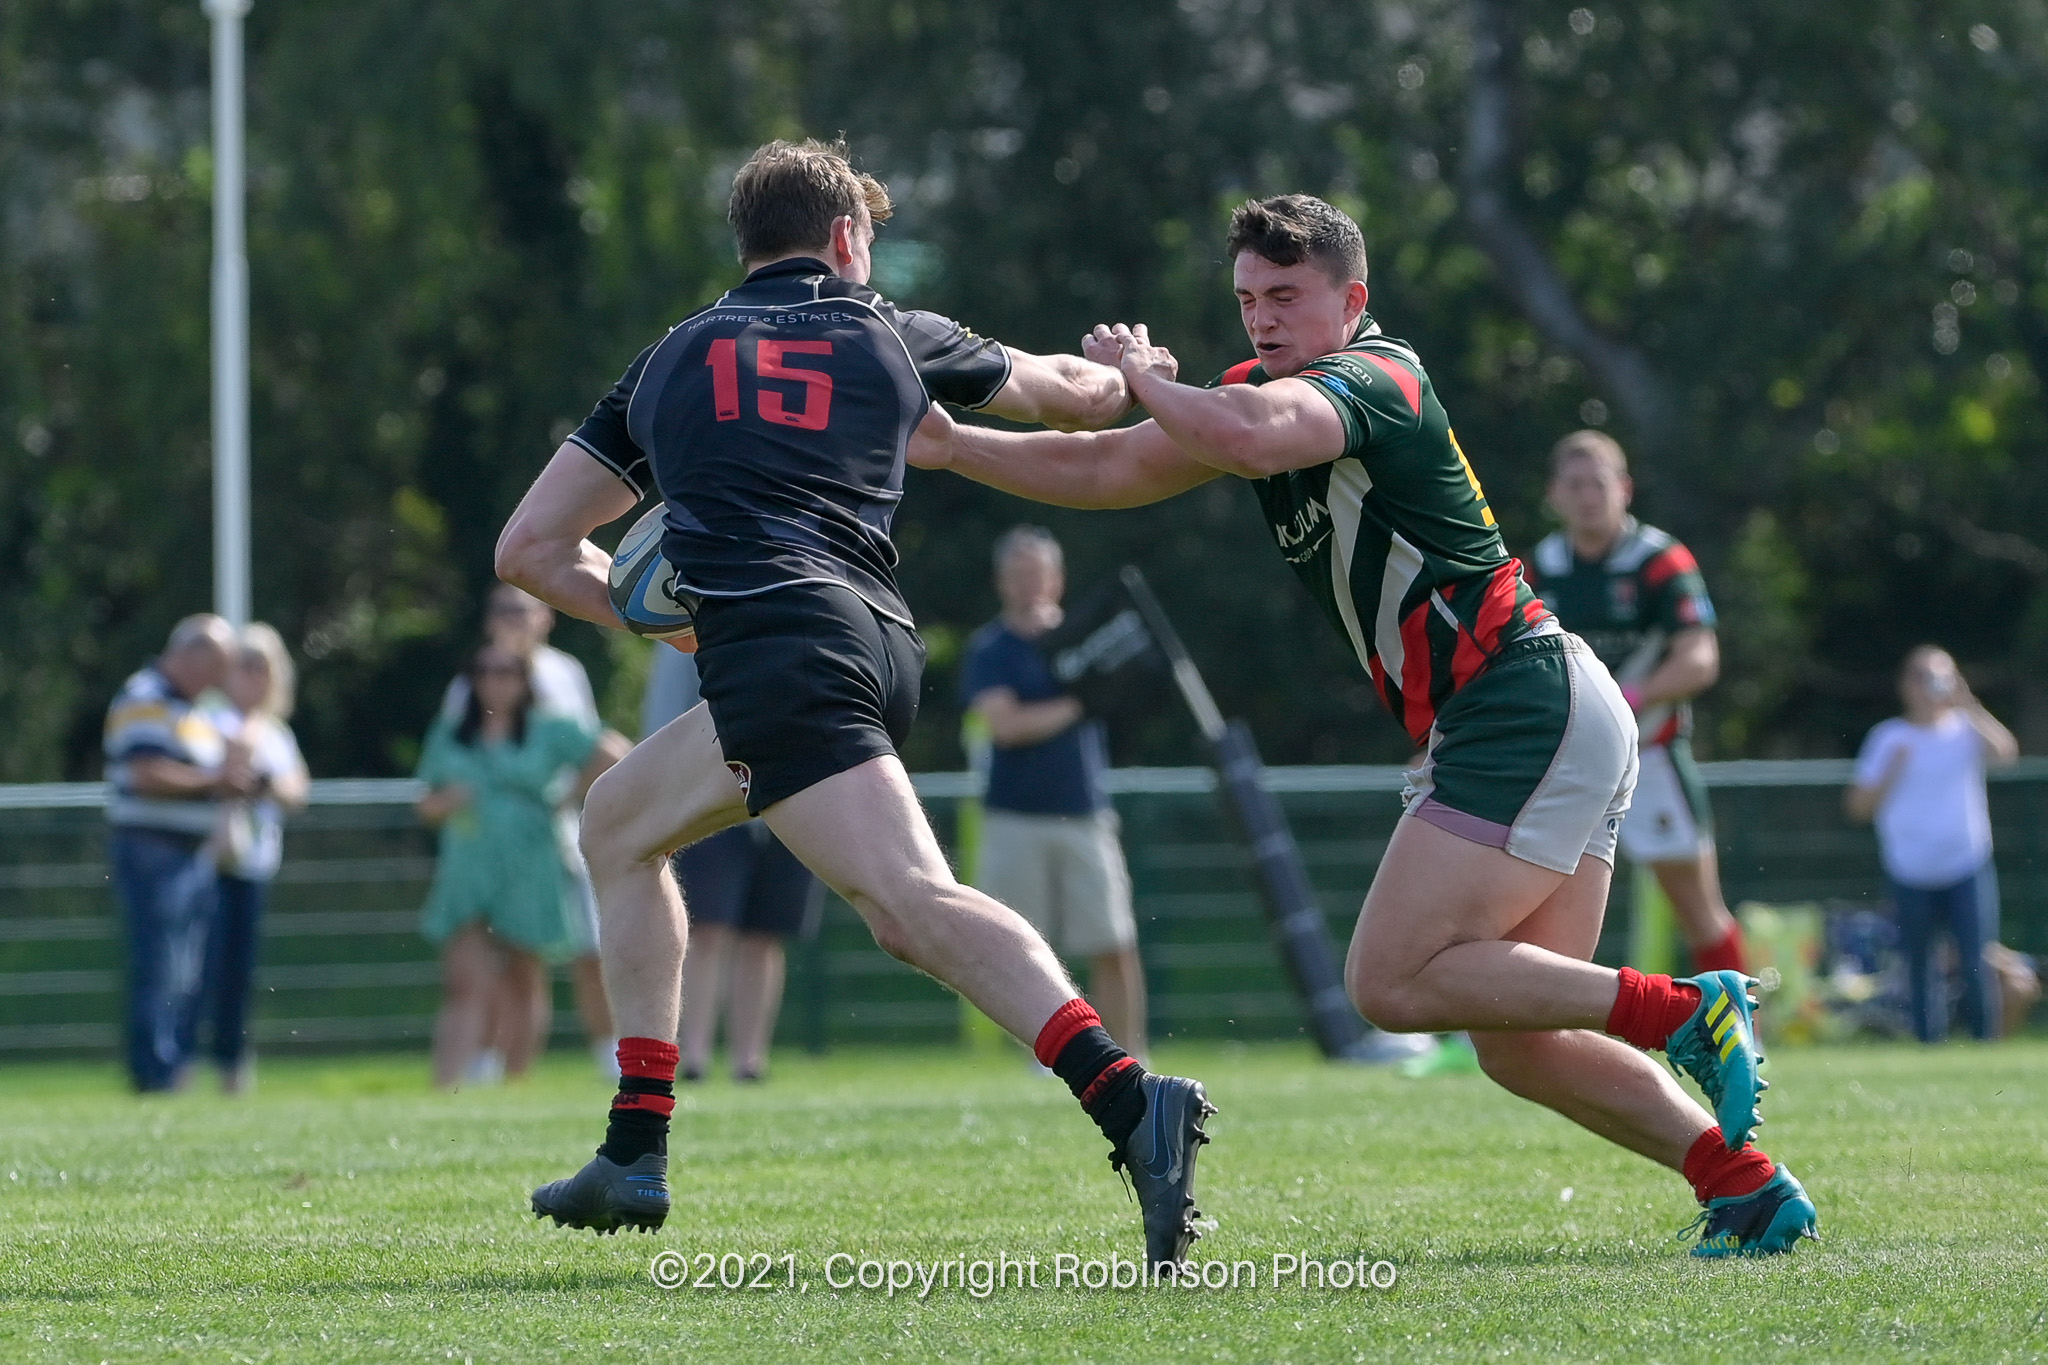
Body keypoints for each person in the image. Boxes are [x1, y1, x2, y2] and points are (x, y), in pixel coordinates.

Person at [912, 192, 1818, 1256]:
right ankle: (1743, 1184)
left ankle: (1682, 1012)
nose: (1261, 317)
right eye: (1247, 297)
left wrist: (1148, 378)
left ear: (1353, 300)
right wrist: (947, 443)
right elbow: (1107, 466)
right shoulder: (1256, 392)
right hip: (1538, 709)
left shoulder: (1374, 377)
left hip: (1515, 702)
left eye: (1286, 296)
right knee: (1518, 1041)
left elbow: (1251, 439)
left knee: (1385, 980)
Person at [496, 137, 1215, 1270]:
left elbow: (532, 551)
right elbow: (1071, 400)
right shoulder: (886, 326)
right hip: (864, 635)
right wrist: (1129, 365)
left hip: (779, 648)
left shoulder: (669, 358)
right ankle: (634, 1146)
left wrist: (670, 622)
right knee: (617, 823)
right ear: (845, 238)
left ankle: (1131, 1101)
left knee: (910, 905)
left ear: (746, 244)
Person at [1525, 432, 1748, 975]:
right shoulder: (1540, 568)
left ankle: (1744, 1035)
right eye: (1573, 485)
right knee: (1536, 914)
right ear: (1554, 494)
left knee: (1698, 911)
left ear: (1624, 488)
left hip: (1651, 755)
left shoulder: (1658, 561)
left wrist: (1630, 698)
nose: (1586, 496)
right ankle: (1530, 1031)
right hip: (1566, 765)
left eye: (1597, 483)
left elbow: (1701, 657)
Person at [963, 526, 1147, 1058]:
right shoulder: (990, 648)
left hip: (1085, 813)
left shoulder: (1086, 638)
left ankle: (1131, 1055)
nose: (1028, 584)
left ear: (1058, 579)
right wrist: (1079, 702)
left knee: (1112, 941)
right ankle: (1048, 1060)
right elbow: (1006, 725)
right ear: (1002, 581)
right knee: (1024, 949)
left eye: (1037, 572)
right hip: (1013, 818)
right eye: (1018, 574)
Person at [415, 644, 628, 1088]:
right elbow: (427, 803)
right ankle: (448, 1084)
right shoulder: (453, 731)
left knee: (523, 974)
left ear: (526, 680)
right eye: (486, 671)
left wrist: (564, 799)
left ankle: (514, 1080)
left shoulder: (549, 729)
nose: (497, 681)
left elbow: (613, 753)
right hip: (468, 866)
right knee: (463, 978)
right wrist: (449, 801)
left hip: (530, 862)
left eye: (509, 671)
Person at [642, 646, 822, 1083]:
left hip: (790, 797)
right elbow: (663, 720)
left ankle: (749, 1061)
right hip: (712, 803)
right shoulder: (692, 623)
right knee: (708, 930)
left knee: (764, 935)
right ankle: (693, 1057)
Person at [103, 614, 250, 1092]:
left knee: (184, 972)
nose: (219, 681)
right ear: (193, 655)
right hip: (153, 849)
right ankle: (155, 1074)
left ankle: (172, 1070)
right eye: (217, 668)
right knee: (161, 967)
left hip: (187, 853)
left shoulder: (192, 709)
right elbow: (145, 773)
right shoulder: (145, 697)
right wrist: (215, 781)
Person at [1846, 646, 2018, 1042]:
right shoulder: (1888, 737)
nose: (1931, 686)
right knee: (1919, 966)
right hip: (1910, 870)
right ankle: (1928, 1045)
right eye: (1921, 677)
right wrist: (1892, 769)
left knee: (1976, 960)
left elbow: (2005, 753)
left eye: (1939, 676)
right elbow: (1858, 807)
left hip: (1966, 865)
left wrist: (1968, 704)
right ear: (1905, 685)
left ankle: (1984, 1046)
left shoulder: (1966, 729)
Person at [197, 622, 310, 1093]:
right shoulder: (205, 717)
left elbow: (296, 789)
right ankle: (178, 1067)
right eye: (245, 665)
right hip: (202, 863)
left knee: (236, 975)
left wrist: (259, 781)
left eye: (262, 668)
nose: (253, 677)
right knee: (194, 972)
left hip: (252, 866)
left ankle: (232, 1069)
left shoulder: (274, 733)